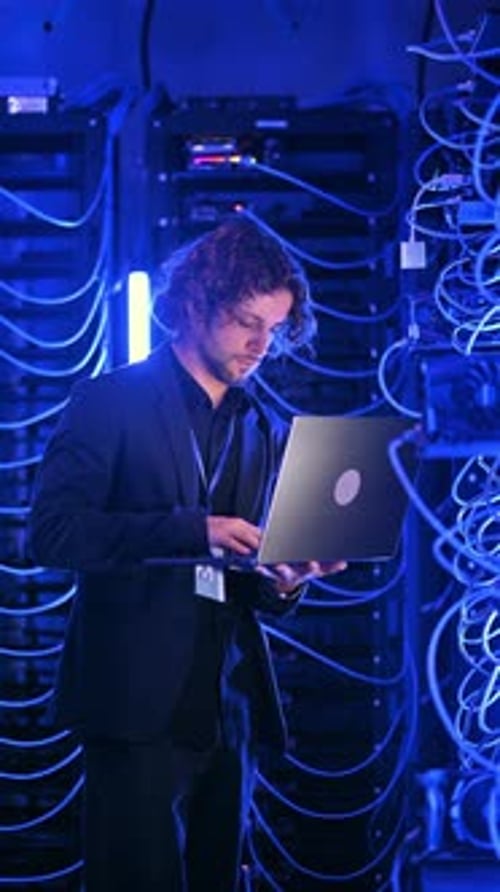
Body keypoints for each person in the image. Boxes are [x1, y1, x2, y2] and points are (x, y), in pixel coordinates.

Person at [29, 214, 346, 892]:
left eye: (274, 327)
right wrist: (189, 530)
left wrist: (288, 580)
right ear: (196, 304)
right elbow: (53, 534)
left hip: (226, 705)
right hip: (133, 706)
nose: (261, 345)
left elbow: (250, 586)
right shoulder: (110, 401)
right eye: (245, 322)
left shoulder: (263, 422)